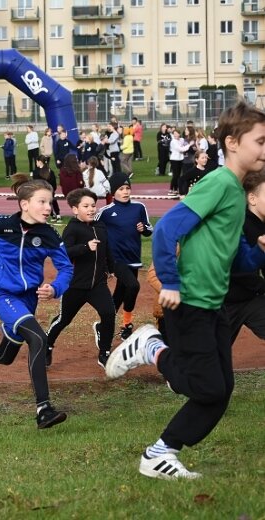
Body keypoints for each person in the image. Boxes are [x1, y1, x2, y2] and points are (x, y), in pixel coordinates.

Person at [105, 101, 265, 480]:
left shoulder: (235, 190)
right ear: (232, 142)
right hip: (189, 299)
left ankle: (161, 454)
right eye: (260, 141)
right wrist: (172, 283)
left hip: (213, 303)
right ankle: (150, 347)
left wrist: (257, 253)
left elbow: (235, 258)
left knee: (220, 390)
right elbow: (166, 229)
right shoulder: (220, 182)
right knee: (205, 386)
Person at [0, 173, 73, 429]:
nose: (48, 207)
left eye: (50, 202)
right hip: (3, 297)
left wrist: (55, 288)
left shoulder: (50, 236)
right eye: (42, 202)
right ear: (24, 204)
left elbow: (66, 268)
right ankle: (44, 409)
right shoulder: (2, 224)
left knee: (6, 355)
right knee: (38, 338)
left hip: (29, 301)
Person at [45, 188, 116, 369]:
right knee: (63, 320)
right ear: (75, 209)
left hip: (97, 285)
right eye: (86, 206)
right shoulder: (72, 228)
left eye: (93, 205)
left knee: (109, 314)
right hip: (74, 285)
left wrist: (110, 269)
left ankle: (104, 352)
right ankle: (47, 345)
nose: (91, 209)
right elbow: (63, 253)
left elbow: (106, 251)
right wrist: (85, 247)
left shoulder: (100, 227)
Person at [96, 172, 153, 339]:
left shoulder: (139, 207)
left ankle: (106, 324)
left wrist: (144, 228)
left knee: (121, 292)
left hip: (133, 258)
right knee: (133, 286)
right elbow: (94, 230)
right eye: (121, 188)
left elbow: (149, 229)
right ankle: (126, 324)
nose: (126, 191)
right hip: (115, 259)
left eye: (128, 188)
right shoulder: (105, 212)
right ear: (113, 192)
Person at [224, 168, 265, 344]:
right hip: (224, 302)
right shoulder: (239, 225)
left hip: (252, 300)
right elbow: (236, 268)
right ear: (252, 199)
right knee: (209, 360)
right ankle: (152, 347)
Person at [32, 155, 61, 222]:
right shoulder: (50, 171)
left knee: (45, 203)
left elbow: (36, 183)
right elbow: (54, 183)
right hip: (50, 191)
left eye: (36, 161)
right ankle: (58, 214)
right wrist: (52, 190)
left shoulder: (36, 172)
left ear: (39, 162)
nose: (36, 163)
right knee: (53, 201)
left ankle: (52, 215)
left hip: (41, 192)